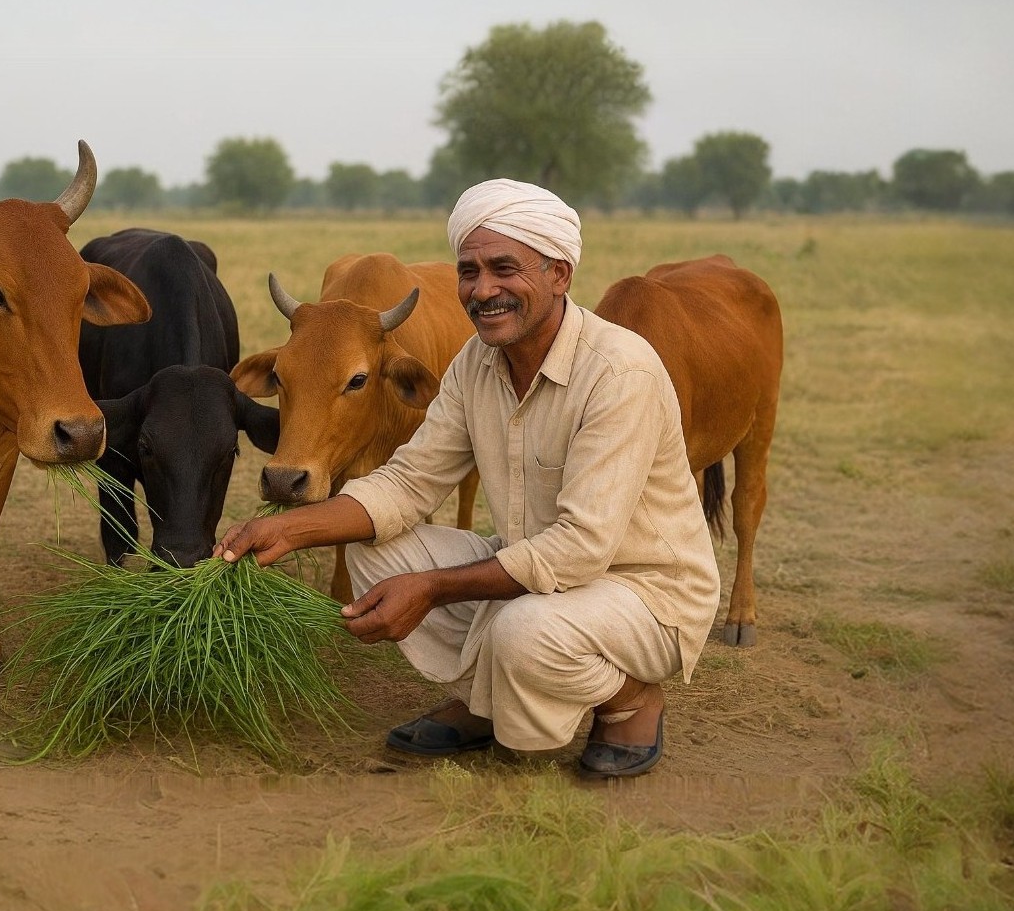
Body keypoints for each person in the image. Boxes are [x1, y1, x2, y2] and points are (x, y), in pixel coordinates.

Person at [215, 179, 720, 777]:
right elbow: (408, 483)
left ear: (560, 274)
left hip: (644, 593)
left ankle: (631, 701)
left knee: (523, 633)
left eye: (505, 268)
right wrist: (296, 528)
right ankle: (487, 699)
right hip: (536, 567)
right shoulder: (476, 364)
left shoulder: (620, 371)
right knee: (377, 553)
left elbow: (581, 549)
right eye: (469, 271)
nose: (483, 290)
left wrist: (432, 588)